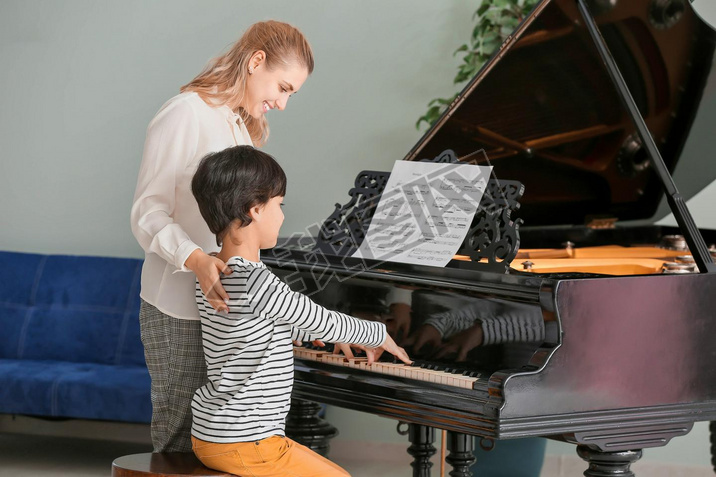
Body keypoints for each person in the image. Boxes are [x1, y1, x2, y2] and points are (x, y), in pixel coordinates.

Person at [130, 20, 314, 452]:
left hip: (224, 317)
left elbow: (241, 234)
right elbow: (146, 212)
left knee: (219, 447)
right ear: (256, 62)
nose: (283, 103)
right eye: (283, 87)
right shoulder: (185, 113)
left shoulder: (240, 127)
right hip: (176, 309)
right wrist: (195, 260)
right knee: (178, 444)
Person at [189, 145, 412, 477]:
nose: (282, 215)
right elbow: (317, 317)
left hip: (215, 434)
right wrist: (378, 333)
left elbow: (255, 324)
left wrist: (306, 333)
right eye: (279, 205)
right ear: (255, 210)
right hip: (249, 441)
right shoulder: (256, 281)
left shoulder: (215, 272)